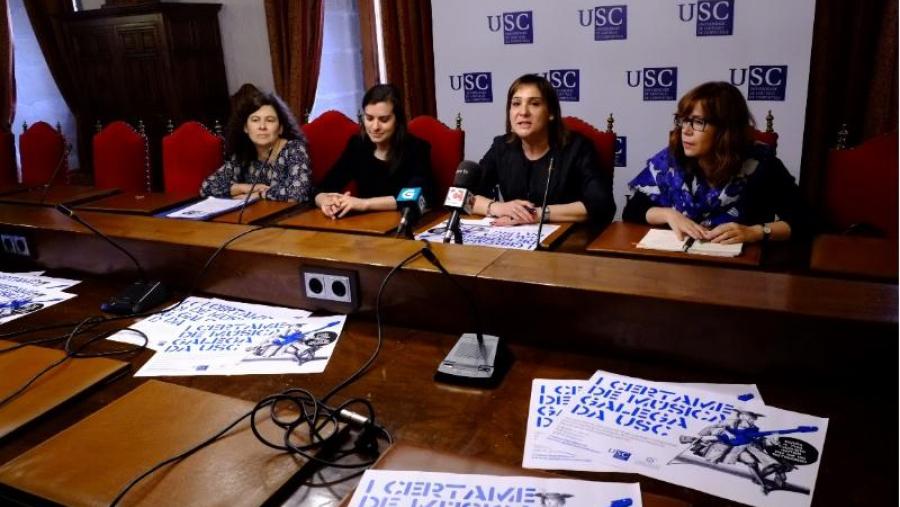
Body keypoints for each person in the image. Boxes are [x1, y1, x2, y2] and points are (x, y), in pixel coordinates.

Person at [623, 81, 811, 244]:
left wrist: (754, 232)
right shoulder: (671, 160)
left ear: (725, 130)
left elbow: (805, 221)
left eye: (697, 122)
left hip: (738, 271)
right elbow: (632, 211)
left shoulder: (761, 165)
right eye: (683, 120)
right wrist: (668, 214)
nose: (685, 130)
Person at [470, 74, 615, 226]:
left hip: (566, 241)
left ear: (551, 113)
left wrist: (536, 214)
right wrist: (497, 207)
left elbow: (602, 205)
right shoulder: (502, 146)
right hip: (513, 240)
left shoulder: (578, 148)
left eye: (534, 104)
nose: (523, 112)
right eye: (516, 104)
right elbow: (459, 197)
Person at [314, 84, 434, 218]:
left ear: (398, 120)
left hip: (403, 224)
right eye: (369, 118)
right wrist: (326, 201)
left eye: (384, 120)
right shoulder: (357, 145)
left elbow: (416, 196)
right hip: (365, 226)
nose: (375, 127)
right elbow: (323, 187)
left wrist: (364, 204)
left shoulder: (416, 148)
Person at [200, 88, 312, 202]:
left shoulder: (294, 149)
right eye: (255, 120)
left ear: (280, 129)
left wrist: (258, 195)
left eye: (270, 120)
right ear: (245, 128)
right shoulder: (243, 154)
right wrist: (244, 188)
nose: (262, 126)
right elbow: (206, 188)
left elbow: (298, 193)